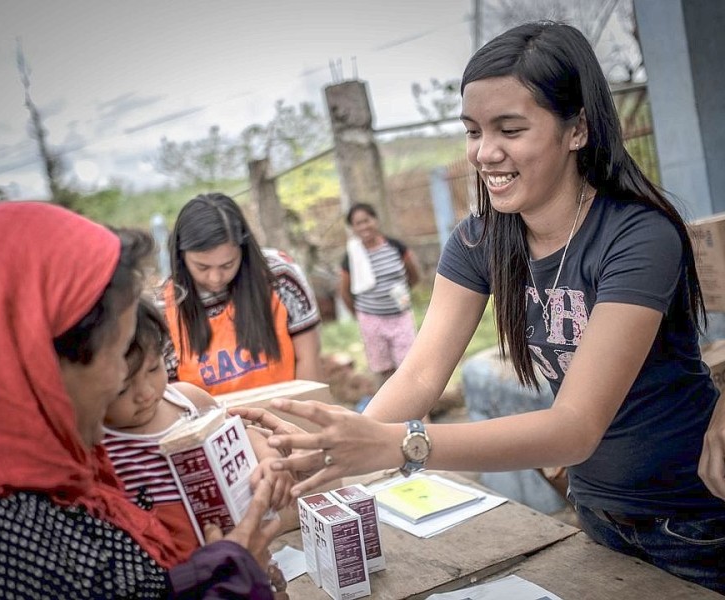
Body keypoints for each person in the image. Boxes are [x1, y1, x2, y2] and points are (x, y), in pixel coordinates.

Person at [233, 21, 725, 594]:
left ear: (578, 130)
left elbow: (574, 428)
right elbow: (419, 374)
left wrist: (398, 445)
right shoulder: (480, 240)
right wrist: (331, 451)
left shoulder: (636, 237)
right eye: (473, 131)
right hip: (597, 514)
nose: (485, 153)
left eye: (510, 129)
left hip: (690, 522)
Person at [0, 201, 281, 598]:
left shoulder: (55, 478)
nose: (123, 382)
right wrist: (232, 579)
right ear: (42, 363)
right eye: (117, 355)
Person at [102, 297, 295, 558]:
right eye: (124, 388)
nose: (145, 393)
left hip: (244, 546)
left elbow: (240, 435)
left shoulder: (188, 400)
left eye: (153, 369)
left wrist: (269, 459)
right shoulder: (100, 446)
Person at [164, 192, 323, 395]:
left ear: (243, 250)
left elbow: (308, 359)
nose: (215, 277)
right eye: (202, 267)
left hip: (286, 417)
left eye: (227, 264)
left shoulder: (280, 277)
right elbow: (171, 392)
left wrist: (305, 421)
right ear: (180, 256)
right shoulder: (167, 305)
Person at [340, 203, 422, 387]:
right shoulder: (352, 256)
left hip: (400, 316)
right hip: (371, 319)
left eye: (366, 221)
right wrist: (360, 315)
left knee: (409, 365)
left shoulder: (395, 247)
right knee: (384, 369)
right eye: (357, 224)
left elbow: (414, 275)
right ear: (353, 228)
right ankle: (391, 414)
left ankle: (421, 415)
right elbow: (345, 292)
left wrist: (400, 295)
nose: (363, 227)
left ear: (375, 220)